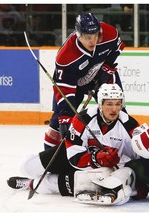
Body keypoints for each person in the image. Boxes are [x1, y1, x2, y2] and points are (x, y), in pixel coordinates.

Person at [7, 83, 140, 197]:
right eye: (109, 104)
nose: (114, 109)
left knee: (57, 183)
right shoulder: (84, 118)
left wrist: (136, 181)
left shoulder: (129, 125)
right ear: (100, 104)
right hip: (75, 157)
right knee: (26, 166)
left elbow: (136, 159)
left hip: (100, 171)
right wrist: (96, 158)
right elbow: (73, 156)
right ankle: (31, 176)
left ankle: (31, 183)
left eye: (118, 104)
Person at [43, 12, 125, 150]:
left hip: (101, 76)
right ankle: (50, 155)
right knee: (59, 120)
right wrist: (66, 116)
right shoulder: (66, 56)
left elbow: (117, 48)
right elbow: (64, 89)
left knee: (116, 109)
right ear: (78, 34)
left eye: (95, 36)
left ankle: (123, 148)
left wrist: (107, 67)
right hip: (73, 84)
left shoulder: (108, 33)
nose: (93, 41)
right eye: (88, 37)